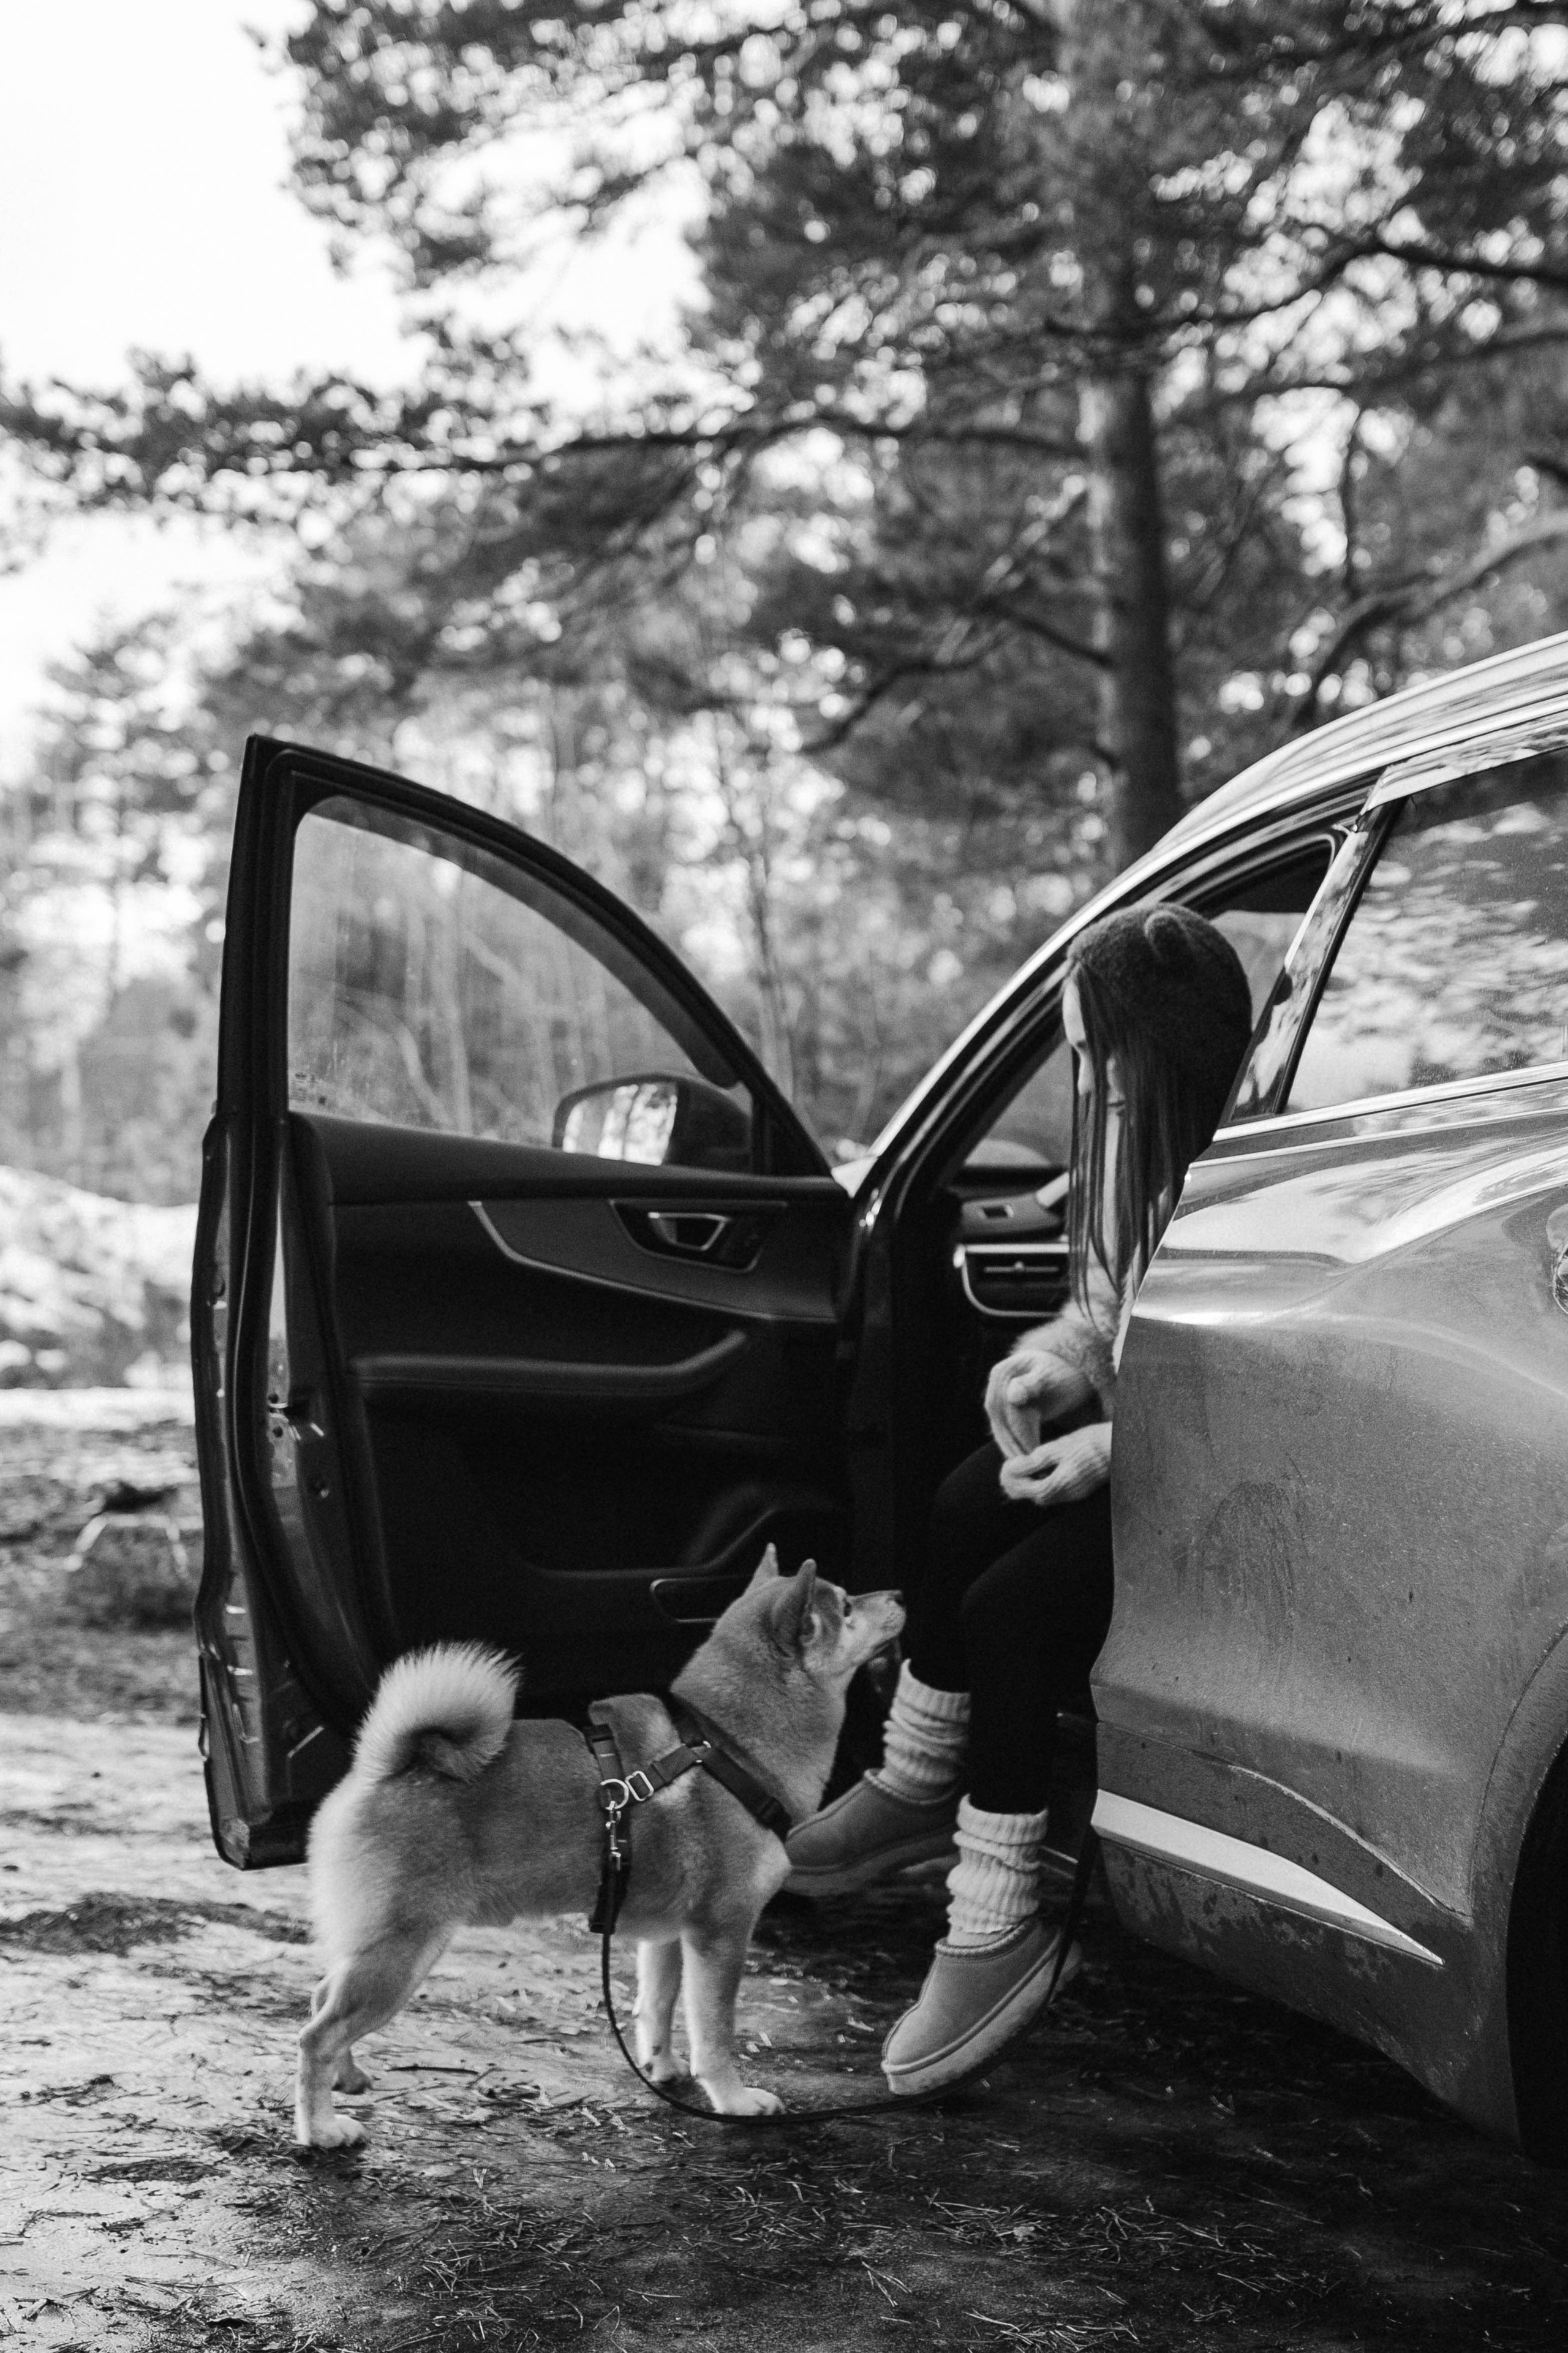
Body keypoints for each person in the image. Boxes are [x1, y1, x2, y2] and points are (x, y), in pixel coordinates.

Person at [785, 903, 1255, 2096]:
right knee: (959, 1494)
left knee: (1009, 1609)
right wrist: (1059, 1366)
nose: (1083, 1078)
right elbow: (1113, 1322)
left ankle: (995, 1925)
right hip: (1162, 1454)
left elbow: (1254, 1395)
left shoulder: (1243, 1175)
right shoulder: (1129, 1164)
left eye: (1097, 1054)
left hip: (1234, 1492)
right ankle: (910, 1786)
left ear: (1166, 1050)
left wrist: (1112, 1447)